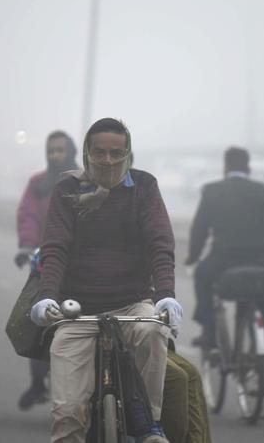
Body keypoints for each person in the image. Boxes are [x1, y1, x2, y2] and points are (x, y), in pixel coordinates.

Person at [31, 118, 182, 443]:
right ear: (87, 153)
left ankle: (149, 423)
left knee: (154, 330)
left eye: (116, 153)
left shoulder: (144, 187)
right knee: (68, 415)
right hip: (76, 312)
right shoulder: (67, 189)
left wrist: (166, 295)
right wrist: (47, 296)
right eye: (100, 153)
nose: (108, 160)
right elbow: (55, 247)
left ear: (128, 154)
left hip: (133, 303)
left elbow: (160, 242)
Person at [185, 147, 264, 348]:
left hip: (223, 260)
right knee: (258, 301)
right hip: (257, 260)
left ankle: (209, 333)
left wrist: (193, 257)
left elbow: (199, 229)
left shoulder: (212, 190)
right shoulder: (261, 190)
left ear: (225, 167)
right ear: (248, 168)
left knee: (202, 275)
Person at [15, 130, 79, 410]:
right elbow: (27, 215)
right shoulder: (37, 183)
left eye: (60, 150)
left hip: (84, 264)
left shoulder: (86, 181)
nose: (55, 155)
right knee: (34, 319)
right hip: (45, 262)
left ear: (72, 151)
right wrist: (27, 245)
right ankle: (37, 382)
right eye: (51, 150)